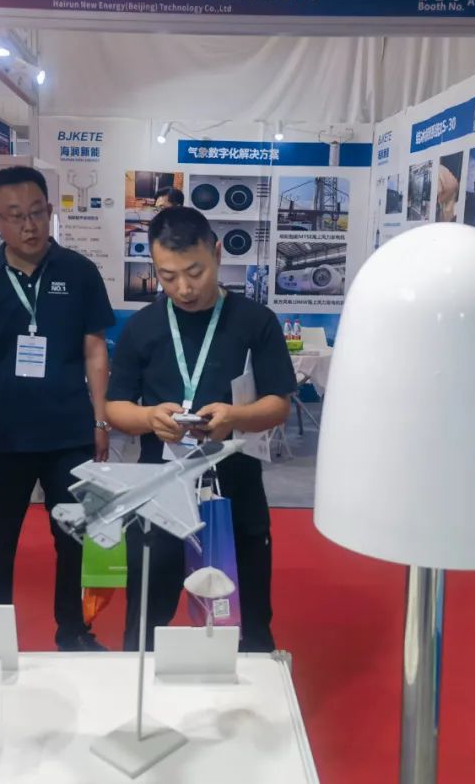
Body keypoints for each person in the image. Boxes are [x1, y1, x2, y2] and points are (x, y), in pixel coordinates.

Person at [106, 206, 297, 652]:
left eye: (195, 272)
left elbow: (278, 404)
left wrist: (234, 417)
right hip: (160, 491)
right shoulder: (143, 327)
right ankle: (143, 688)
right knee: (146, 616)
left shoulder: (255, 321)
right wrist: (149, 418)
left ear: (216, 253)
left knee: (247, 616)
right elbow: (115, 407)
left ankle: (251, 683)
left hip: (234, 491)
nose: (184, 288)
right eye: (167, 276)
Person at [0, 166, 115, 651]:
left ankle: (74, 630)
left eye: (38, 213)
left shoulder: (79, 272)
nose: (30, 226)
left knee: (74, 536)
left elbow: (95, 351)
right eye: (16, 216)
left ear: (50, 213)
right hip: (4, 435)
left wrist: (100, 419)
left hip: (70, 433)